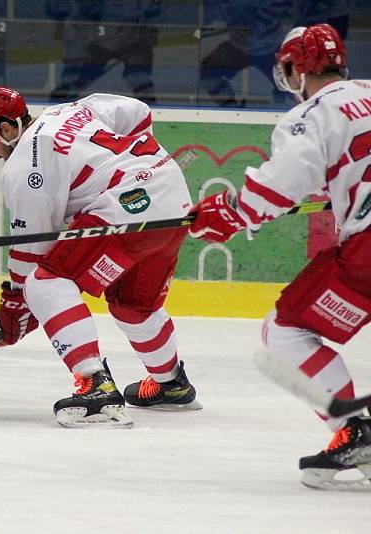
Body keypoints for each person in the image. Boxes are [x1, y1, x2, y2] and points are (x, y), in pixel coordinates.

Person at [0, 86, 201, 427]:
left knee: (44, 283)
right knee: (134, 305)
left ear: (7, 129)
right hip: (173, 197)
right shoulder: (72, 110)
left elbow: (31, 254)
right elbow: (137, 111)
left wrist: (16, 303)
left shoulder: (23, 167)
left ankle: (95, 385)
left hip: (127, 210)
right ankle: (171, 383)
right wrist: (138, 167)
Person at [188, 23, 371, 490]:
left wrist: (229, 214)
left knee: (286, 330)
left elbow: (275, 188)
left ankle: (354, 430)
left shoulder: (312, 114)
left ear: (295, 68)